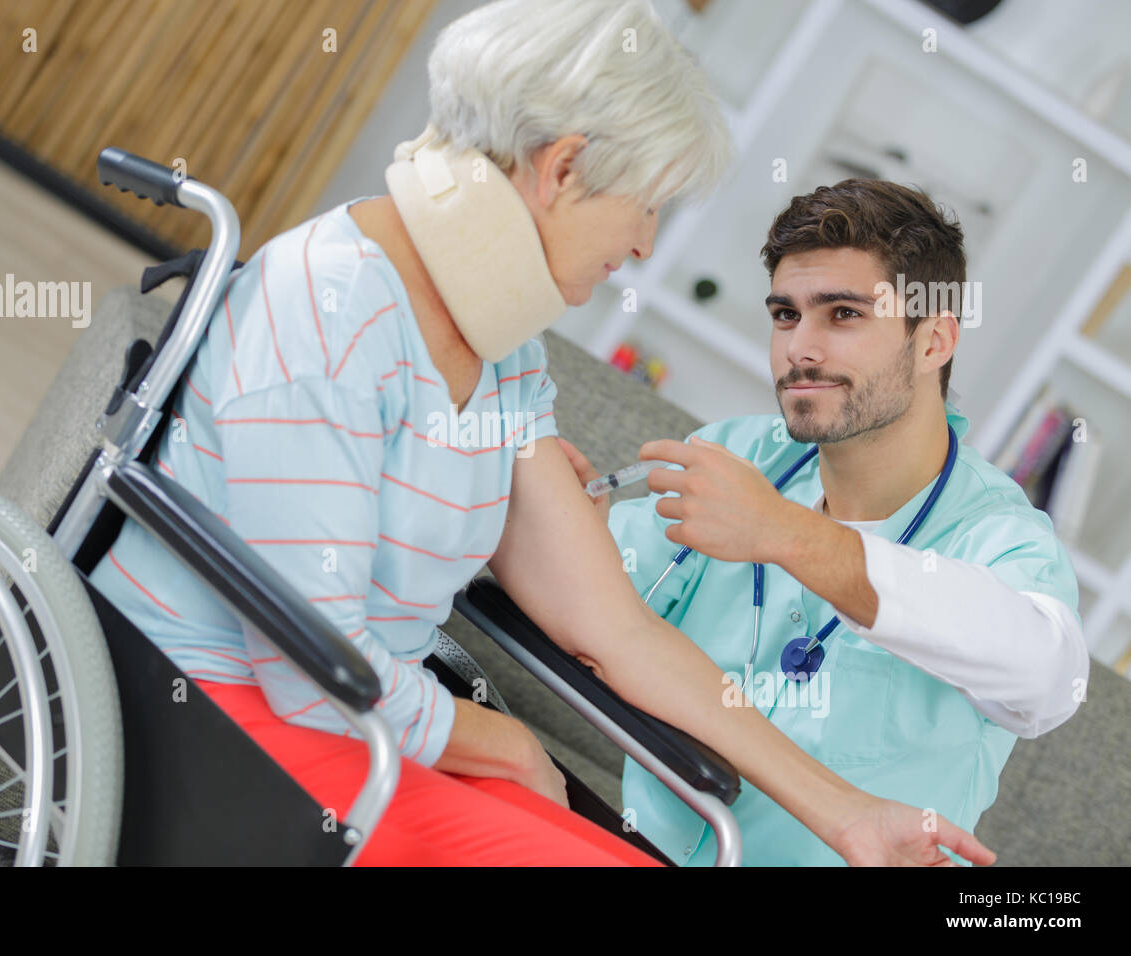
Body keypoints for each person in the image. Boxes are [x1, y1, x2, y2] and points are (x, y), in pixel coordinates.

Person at [89, 0, 995, 866]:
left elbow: (619, 633)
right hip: (218, 718)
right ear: (563, 170)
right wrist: (500, 741)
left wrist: (849, 817)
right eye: (648, 206)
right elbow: (303, 668)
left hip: (372, 728)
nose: (643, 245)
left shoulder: (504, 353)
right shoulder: (328, 308)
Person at [559, 178, 1089, 865]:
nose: (800, 349)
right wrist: (581, 528)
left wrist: (784, 533)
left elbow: (1048, 680)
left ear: (933, 342)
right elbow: (587, 596)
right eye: (786, 315)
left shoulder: (1001, 539)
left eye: (842, 314)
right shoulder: (743, 455)